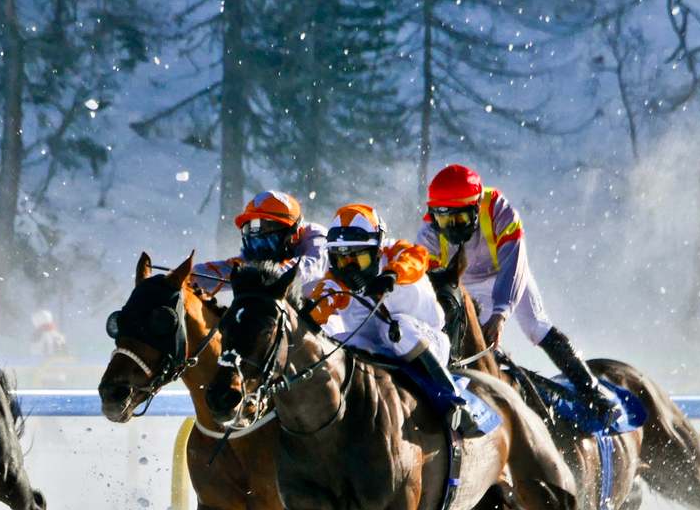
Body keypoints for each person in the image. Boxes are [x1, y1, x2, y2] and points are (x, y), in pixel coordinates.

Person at [415, 163, 621, 421]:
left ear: (476, 207)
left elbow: (514, 263)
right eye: (444, 219)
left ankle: (594, 393)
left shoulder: (500, 210)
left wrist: (500, 313)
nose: (452, 227)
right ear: (433, 215)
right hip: (465, 285)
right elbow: (428, 286)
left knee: (536, 326)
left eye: (461, 219)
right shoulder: (427, 235)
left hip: (507, 273)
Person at [310, 203, 478, 434]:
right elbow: (317, 306)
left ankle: (454, 401)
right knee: (336, 341)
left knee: (398, 329)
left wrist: (392, 274)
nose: (350, 269)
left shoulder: (397, 253)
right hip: (377, 351)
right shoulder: (334, 281)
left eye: (358, 259)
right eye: (341, 260)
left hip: (427, 342)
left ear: (377, 250)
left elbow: (417, 257)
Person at [192, 190, 327, 300]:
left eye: (267, 233)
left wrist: (269, 277)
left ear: (294, 235)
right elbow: (228, 270)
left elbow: (311, 264)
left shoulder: (317, 237)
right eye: (250, 229)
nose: (258, 244)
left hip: (330, 317)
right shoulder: (259, 254)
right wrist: (189, 276)